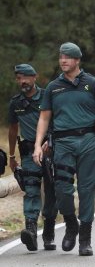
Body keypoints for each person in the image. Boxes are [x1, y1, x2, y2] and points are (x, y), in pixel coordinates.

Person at [32, 42, 95, 256]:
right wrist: (37, 145)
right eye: (61, 57)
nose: (63, 60)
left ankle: (85, 239)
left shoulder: (92, 84)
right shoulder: (53, 87)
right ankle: (71, 223)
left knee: (87, 190)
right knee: (62, 189)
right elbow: (44, 117)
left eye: (67, 57)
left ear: (77, 60)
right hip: (63, 144)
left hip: (88, 140)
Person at [8, 64, 58, 251]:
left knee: (52, 191)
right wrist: (12, 156)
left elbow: (57, 120)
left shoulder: (47, 96)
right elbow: (13, 130)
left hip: (51, 151)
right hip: (29, 153)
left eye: (26, 77)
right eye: (19, 78)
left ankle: (49, 233)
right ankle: (30, 230)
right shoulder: (16, 103)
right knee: (31, 189)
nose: (23, 81)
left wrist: (51, 142)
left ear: (34, 77)